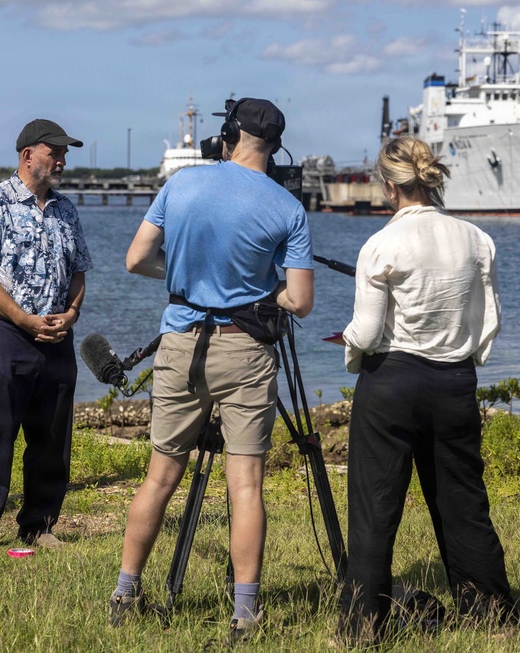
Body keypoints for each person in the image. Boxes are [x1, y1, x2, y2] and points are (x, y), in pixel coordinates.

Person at [109, 98, 314, 642]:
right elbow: (300, 301)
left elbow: (136, 259)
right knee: (245, 485)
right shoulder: (287, 207)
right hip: (244, 350)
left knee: (160, 475)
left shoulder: (180, 184)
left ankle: (125, 593)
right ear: (275, 147)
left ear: (229, 134)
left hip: (180, 344)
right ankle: (244, 613)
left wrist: (185, 279)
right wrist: (263, 289)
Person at [338, 136, 514, 642]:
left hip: (392, 380)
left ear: (389, 187)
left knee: (375, 509)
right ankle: (491, 617)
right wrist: (461, 355)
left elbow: (366, 332)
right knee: (463, 503)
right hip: (454, 381)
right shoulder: (477, 239)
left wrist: (350, 349)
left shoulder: (381, 244)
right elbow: (489, 321)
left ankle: (362, 628)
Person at [0, 118, 93, 552]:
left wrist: (71, 314)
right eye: (55, 152)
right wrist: (23, 319)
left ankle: (39, 525)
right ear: (28, 155)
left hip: (56, 336)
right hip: (4, 332)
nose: (62, 160)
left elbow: (79, 271)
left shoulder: (66, 210)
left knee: (52, 437)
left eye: (64, 154)